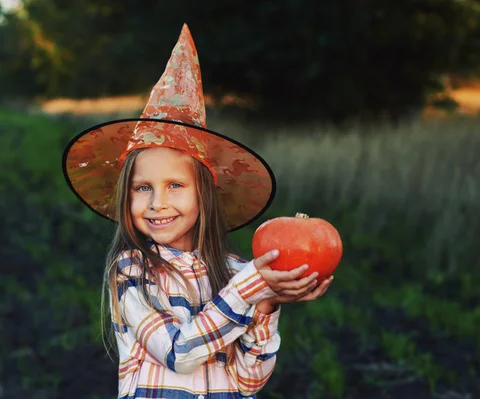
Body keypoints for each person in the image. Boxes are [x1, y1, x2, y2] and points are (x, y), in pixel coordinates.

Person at [62, 23, 334, 399]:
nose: (157, 202)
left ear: (203, 196)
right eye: (143, 188)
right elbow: (179, 354)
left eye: (175, 185)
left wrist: (267, 304)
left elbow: (250, 381)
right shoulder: (131, 271)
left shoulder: (236, 271)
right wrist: (250, 288)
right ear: (126, 197)